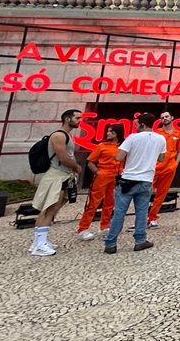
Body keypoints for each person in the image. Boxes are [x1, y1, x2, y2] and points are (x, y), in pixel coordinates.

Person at [104, 113, 166, 254]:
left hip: (128, 179)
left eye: (137, 124)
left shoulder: (132, 138)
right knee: (142, 212)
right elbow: (162, 158)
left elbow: (119, 157)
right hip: (146, 179)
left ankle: (111, 243)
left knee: (119, 212)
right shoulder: (161, 139)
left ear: (142, 124)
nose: (136, 126)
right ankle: (140, 240)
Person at [29, 109, 86, 257]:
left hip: (63, 175)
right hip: (57, 175)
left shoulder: (66, 136)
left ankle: (39, 241)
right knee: (49, 209)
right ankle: (39, 244)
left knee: (52, 210)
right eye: (77, 118)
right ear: (67, 119)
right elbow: (63, 157)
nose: (80, 121)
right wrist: (77, 166)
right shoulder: (59, 135)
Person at [77, 123, 125, 241]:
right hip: (102, 176)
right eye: (108, 131)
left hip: (116, 177)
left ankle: (104, 226)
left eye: (111, 131)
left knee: (110, 203)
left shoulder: (123, 146)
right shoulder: (102, 146)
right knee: (93, 202)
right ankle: (83, 228)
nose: (108, 133)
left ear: (117, 133)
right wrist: (98, 172)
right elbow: (91, 162)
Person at [147, 111, 180, 228]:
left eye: (166, 116)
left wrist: (176, 163)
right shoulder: (156, 133)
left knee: (161, 194)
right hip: (155, 167)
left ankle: (152, 217)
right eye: (162, 117)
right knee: (146, 192)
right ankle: (143, 217)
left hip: (169, 168)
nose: (164, 118)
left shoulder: (178, 134)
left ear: (172, 118)